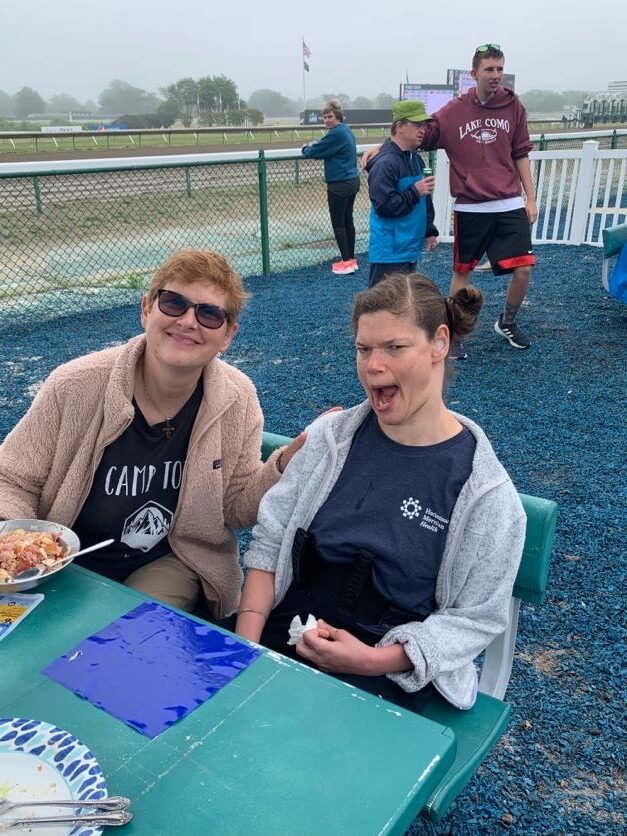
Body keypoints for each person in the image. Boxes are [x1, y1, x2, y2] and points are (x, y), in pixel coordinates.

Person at [235, 273, 526, 711]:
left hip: (389, 670)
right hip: (282, 629)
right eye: (363, 348)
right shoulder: (332, 438)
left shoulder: (483, 492)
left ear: (439, 343)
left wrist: (373, 660)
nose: (373, 365)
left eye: (394, 347)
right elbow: (270, 542)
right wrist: (247, 650)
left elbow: (475, 618)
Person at [0, 249, 304, 617]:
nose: (189, 322)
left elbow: (235, 507)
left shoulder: (236, 398)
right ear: (146, 309)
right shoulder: (76, 385)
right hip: (66, 560)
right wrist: (18, 545)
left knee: (128, 635)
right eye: (174, 303)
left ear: (228, 335)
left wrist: (284, 464)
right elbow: (11, 478)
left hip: (170, 557)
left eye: (209, 314)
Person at [363, 44, 538, 358]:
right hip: (471, 204)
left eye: (500, 69)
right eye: (489, 69)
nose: (496, 75)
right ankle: (454, 334)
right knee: (463, 270)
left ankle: (508, 322)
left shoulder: (514, 107)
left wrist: (531, 198)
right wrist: (383, 145)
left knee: (524, 268)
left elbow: (521, 154)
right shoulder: (454, 111)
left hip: (509, 201)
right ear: (474, 74)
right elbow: (414, 133)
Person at [365, 100, 438, 288]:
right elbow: (384, 207)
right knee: (380, 307)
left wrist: (429, 229)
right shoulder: (385, 164)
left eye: (424, 125)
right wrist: (415, 191)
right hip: (390, 251)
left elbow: (424, 198)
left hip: (408, 248)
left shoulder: (415, 159)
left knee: (402, 306)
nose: (423, 130)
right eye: (417, 125)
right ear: (400, 126)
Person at [302, 99, 361, 275]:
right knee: (348, 220)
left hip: (339, 184)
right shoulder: (346, 130)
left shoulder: (336, 133)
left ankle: (346, 262)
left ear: (338, 117)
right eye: (324, 117)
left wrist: (305, 148)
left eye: (329, 117)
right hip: (352, 180)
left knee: (339, 224)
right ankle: (350, 258)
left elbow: (316, 151)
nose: (326, 120)